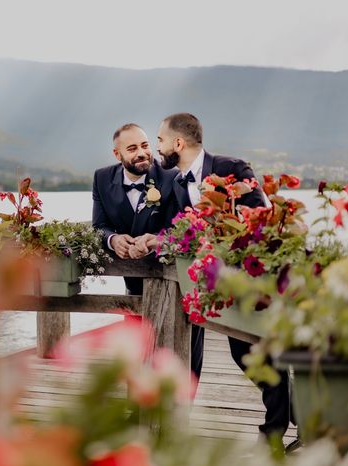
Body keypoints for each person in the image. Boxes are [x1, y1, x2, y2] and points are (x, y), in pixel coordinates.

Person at [130, 113, 292, 440]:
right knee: (243, 353)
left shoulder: (231, 167)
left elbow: (256, 219)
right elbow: (181, 230)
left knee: (253, 352)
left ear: (178, 143)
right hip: (216, 284)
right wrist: (157, 239)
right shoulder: (176, 183)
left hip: (248, 277)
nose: (157, 147)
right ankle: (293, 414)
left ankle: (274, 431)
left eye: (159, 140)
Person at [92, 123, 178, 295]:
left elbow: (180, 229)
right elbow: (99, 227)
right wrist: (113, 239)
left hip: (170, 283)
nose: (141, 153)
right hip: (131, 282)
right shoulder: (102, 178)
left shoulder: (172, 177)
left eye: (145, 146)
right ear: (117, 154)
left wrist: (155, 241)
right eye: (132, 149)